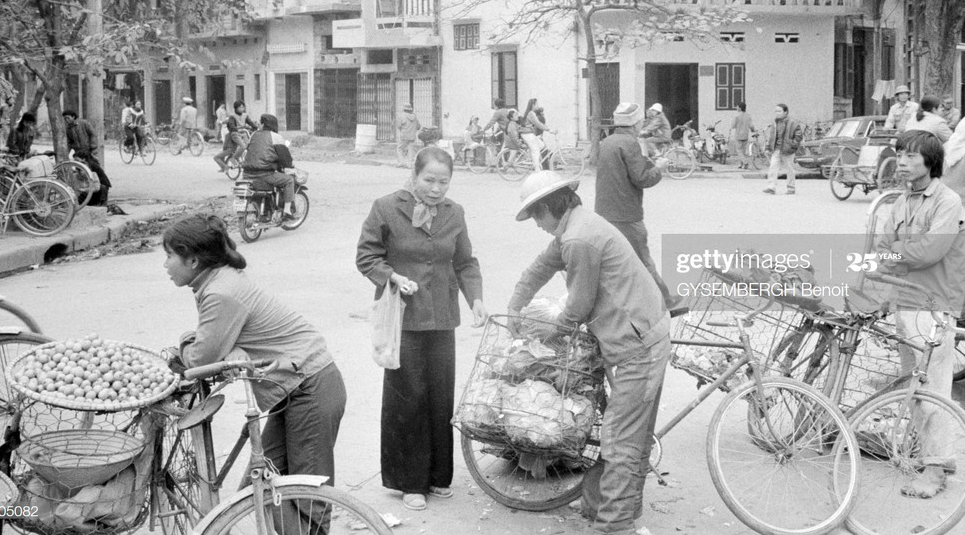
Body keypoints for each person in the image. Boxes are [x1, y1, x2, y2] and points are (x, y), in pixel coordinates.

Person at [508, 171, 670, 535]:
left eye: (536, 216)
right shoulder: (574, 225)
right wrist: (516, 305)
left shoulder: (580, 238)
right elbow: (541, 266)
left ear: (551, 207)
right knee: (634, 433)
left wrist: (547, 340)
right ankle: (608, 508)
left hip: (638, 344)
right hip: (639, 331)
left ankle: (614, 526)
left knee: (621, 438)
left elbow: (577, 306)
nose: (537, 225)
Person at [163, 214, 346, 520]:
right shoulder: (219, 280)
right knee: (264, 484)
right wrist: (229, 348)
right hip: (294, 386)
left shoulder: (221, 291)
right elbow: (218, 345)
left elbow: (198, 359)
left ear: (193, 260)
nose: (165, 265)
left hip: (310, 387)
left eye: (169, 256)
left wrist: (184, 342)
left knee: (305, 498)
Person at [356, 147, 486, 512]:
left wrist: (475, 298)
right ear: (414, 176)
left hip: (442, 317)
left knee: (441, 395)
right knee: (408, 395)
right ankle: (410, 481)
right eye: (429, 180)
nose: (435, 189)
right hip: (404, 317)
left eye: (443, 182)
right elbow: (366, 256)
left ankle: (438, 475)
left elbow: (465, 262)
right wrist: (391, 277)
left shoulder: (454, 212)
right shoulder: (385, 208)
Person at [872, 130, 965, 499]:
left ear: (930, 162)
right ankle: (934, 456)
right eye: (899, 154)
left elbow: (930, 252)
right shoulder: (900, 202)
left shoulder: (948, 202)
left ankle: (936, 469)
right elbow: (882, 247)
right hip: (905, 301)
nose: (902, 161)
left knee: (933, 390)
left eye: (911, 156)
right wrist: (897, 251)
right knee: (914, 387)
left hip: (934, 304)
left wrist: (897, 251)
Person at [595, 102, 686, 317]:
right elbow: (643, 179)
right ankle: (667, 302)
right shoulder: (630, 143)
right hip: (626, 213)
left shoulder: (607, 142)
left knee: (611, 261)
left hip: (604, 212)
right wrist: (659, 168)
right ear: (634, 124)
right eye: (639, 122)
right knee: (643, 261)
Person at [240, 114, 296, 219]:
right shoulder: (276, 137)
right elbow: (286, 158)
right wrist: (290, 165)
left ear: (263, 124)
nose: (258, 125)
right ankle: (287, 211)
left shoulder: (254, 135)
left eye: (260, 123)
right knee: (289, 180)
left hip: (247, 174)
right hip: (264, 174)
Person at [63, 108, 110, 206]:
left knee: (94, 171)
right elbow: (69, 142)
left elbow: (93, 134)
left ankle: (101, 196)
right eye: (65, 119)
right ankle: (87, 197)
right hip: (78, 154)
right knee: (81, 175)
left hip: (89, 152)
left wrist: (93, 148)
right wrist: (69, 153)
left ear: (73, 117)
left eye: (68, 118)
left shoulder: (84, 123)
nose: (66, 120)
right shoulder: (68, 129)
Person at [762, 103, 803, 195]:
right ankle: (771, 187)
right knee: (773, 167)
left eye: (779, 111)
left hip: (788, 150)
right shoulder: (775, 123)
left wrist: (791, 145)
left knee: (789, 169)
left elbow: (799, 137)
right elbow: (772, 137)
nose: (777, 113)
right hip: (776, 149)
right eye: (776, 111)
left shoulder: (793, 123)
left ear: (785, 112)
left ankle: (791, 188)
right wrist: (768, 148)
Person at [214, 101, 257, 173]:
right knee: (243, 146)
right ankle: (234, 158)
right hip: (235, 134)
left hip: (244, 133)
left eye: (243, 107)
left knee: (249, 146)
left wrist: (255, 127)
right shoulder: (232, 117)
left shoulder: (245, 116)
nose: (242, 109)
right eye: (240, 107)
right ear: (236, 108)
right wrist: (237, 128)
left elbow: (251, 123)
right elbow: (231, 125)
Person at [520, 97, 551, 170]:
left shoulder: (531, 113)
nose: (538, 106)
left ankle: (534, 160)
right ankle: (537, 169)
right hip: (527, 134)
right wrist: (549, 129)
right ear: (533, 105)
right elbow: (538, 124)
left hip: (528, 133)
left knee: (542, 145)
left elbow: (539, 123)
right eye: (536, 104)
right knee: (536, 150)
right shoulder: (531, 113)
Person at [728, 102, 754, 169]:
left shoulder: (736, 116)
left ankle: (745, 162)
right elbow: (751, 125)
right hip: (745, 135)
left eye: (737, 107)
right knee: (743, 151)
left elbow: (733, 126)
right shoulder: (748, 116)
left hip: (738, 135)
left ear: (739, 108)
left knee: (739, 150)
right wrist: (752, 130)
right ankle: (741, 165)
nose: (736, 108)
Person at [395, 103, 421, 168]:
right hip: (412, 136)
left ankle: (401, 162)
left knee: (399, 148)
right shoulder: (415, 117)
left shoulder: (401, 116)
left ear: (404, 109)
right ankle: (410, 164)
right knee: (410, 149)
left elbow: (398, 126)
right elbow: (418, 126)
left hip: (404, 135)